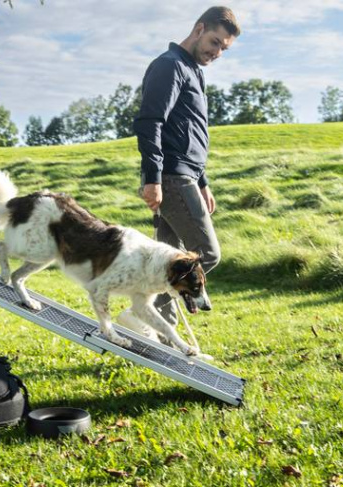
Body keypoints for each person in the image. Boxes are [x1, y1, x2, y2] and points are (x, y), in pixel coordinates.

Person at [133, 6, 240, 326]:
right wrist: (152, 178)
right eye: (215, 42)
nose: (217, 51)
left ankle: (160, 332)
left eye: (224, 48)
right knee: (206, 255)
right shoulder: (169, 66)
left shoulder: (194, 71)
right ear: (199, 28)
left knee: (168, 258)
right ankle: (137, 310)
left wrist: (203, 182)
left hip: (187, 175)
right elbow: (150, 122)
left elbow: (191, 132)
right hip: (171, 176)